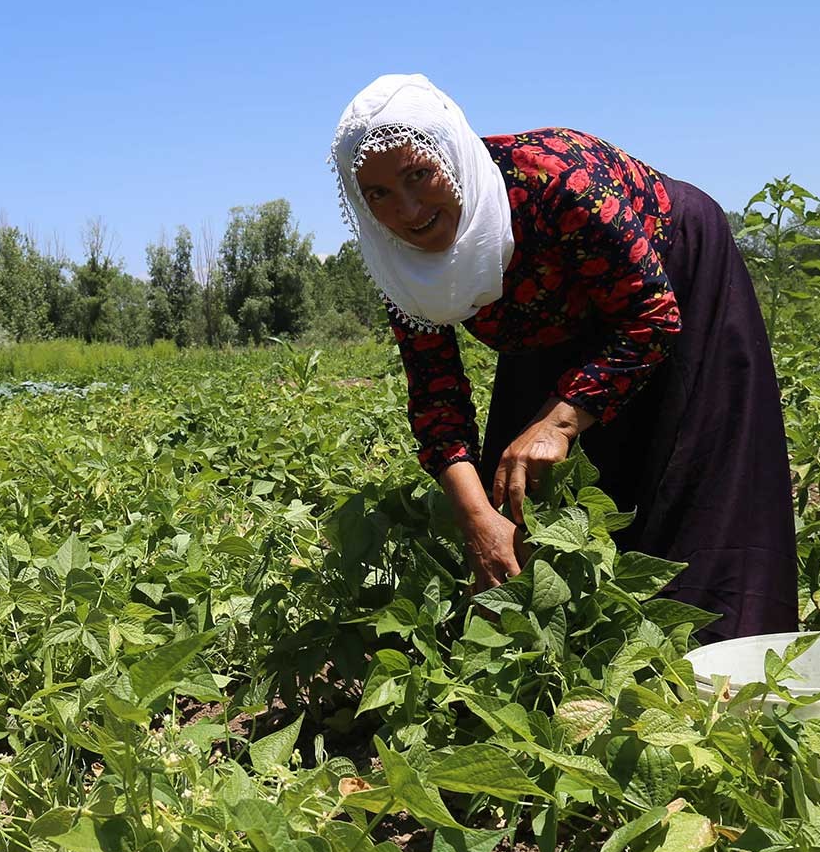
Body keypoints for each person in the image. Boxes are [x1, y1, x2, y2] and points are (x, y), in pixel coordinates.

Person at [329, 75, 796, 639]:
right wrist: (476, 519)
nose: (406, 210)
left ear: (450, 157)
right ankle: (575, 657)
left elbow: (650, 314)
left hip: (669, 279)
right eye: (378, 194)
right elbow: (436, 397)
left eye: (418, 175)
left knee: (692, 482)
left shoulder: (552, 179)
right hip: (547, 321)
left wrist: (562, 418)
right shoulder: (397, 265)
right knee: (522, 492)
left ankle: (716, 664)